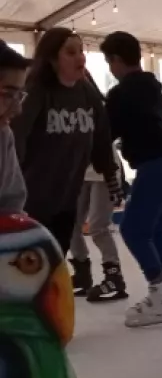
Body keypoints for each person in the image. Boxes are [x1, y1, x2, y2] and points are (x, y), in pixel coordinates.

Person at [11, 29, 119, 269]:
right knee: (30, 268)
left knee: (55, 262)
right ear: (51, 59)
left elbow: (102, 133)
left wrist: (109, 172)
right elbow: (16, 135)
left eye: (81, 51)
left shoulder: (86, 91)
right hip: (32, 202)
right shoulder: (37, 90)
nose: (80, 58)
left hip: (67, 199)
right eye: (70, 52)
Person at [100, 31, 162, 327]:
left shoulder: (122, 93)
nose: (110, 69)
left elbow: (105, 131)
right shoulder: (151, 87)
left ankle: (161, 296)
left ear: (116, 60)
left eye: (109, 62)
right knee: (154, 231)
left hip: (154, 164)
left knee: (134, 231)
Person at [68, 139, 128, 303]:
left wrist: (114, 181)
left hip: (104, 172)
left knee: (97, 227)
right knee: (70, 224)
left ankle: (114, 276)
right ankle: (82, 273)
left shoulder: (97, 113)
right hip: (78, 172)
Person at [0, 42, 30, 212]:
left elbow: (11, 206)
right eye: (8, 94)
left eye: (19, 95)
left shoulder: (3, 135)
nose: (17, 109)